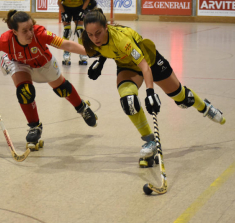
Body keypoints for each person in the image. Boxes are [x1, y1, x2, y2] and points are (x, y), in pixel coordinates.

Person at [82, 9, 226, 167]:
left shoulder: (123, 39)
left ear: (106, 27)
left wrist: (150, 93)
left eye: (98, 33)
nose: (94, 38)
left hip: (150, 61)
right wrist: (100, 63)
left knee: (182, 97)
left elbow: (144, 67)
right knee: (128, 100)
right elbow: (103, 47)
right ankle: (150, 142)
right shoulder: (89, 39)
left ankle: (205, 107)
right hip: (127, 66)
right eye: (90, 34)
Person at [0, 10, 98, 150]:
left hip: (43, 63)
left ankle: (82, 107)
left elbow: (67, 45)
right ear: (14, 32)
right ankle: (35, 127)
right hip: (19, 63)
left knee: (62, 89)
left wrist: (92, 52)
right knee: (25, 92)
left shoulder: (40, 34)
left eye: (30, 29)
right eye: (24, 31)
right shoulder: (5, 41)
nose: (29, 33)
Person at [57, 0, 90, 65]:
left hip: (78, 9)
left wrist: (83, 10)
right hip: (66, 9)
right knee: (67, 32)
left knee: (80, 31)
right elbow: (59, 2)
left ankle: (82, 53)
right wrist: (64, 13)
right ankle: (66, 54)